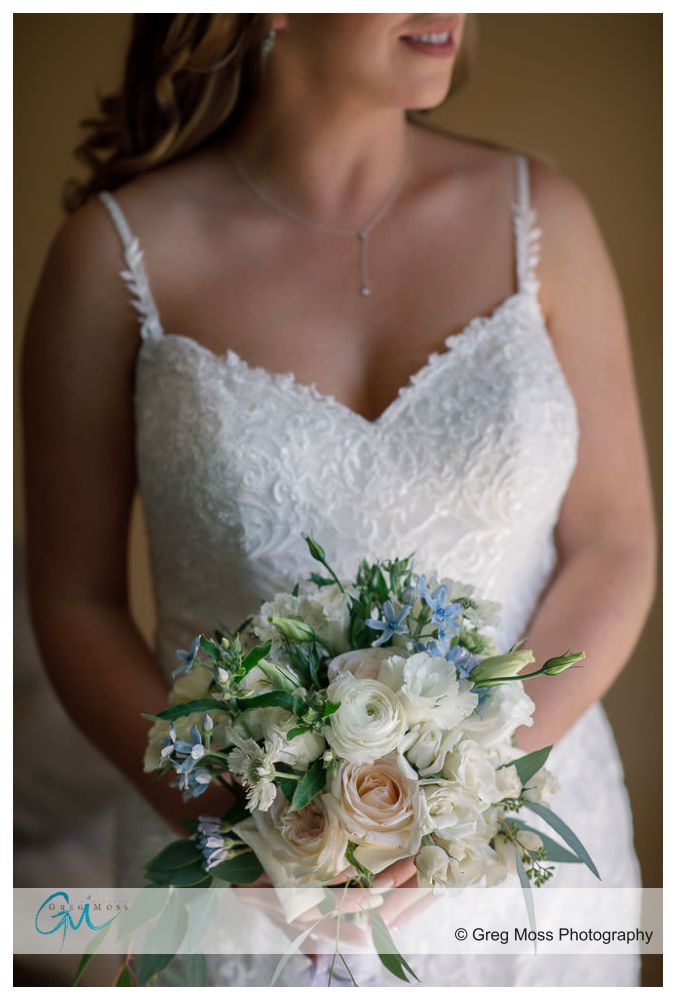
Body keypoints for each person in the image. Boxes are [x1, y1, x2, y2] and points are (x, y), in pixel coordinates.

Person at [21, 12, 656, 987]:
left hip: (533, 872)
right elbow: (74, 599)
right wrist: (253, 838)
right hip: (247, 891)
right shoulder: (110, 260)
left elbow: (614, 542)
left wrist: (459, 798)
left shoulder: (543, 217)